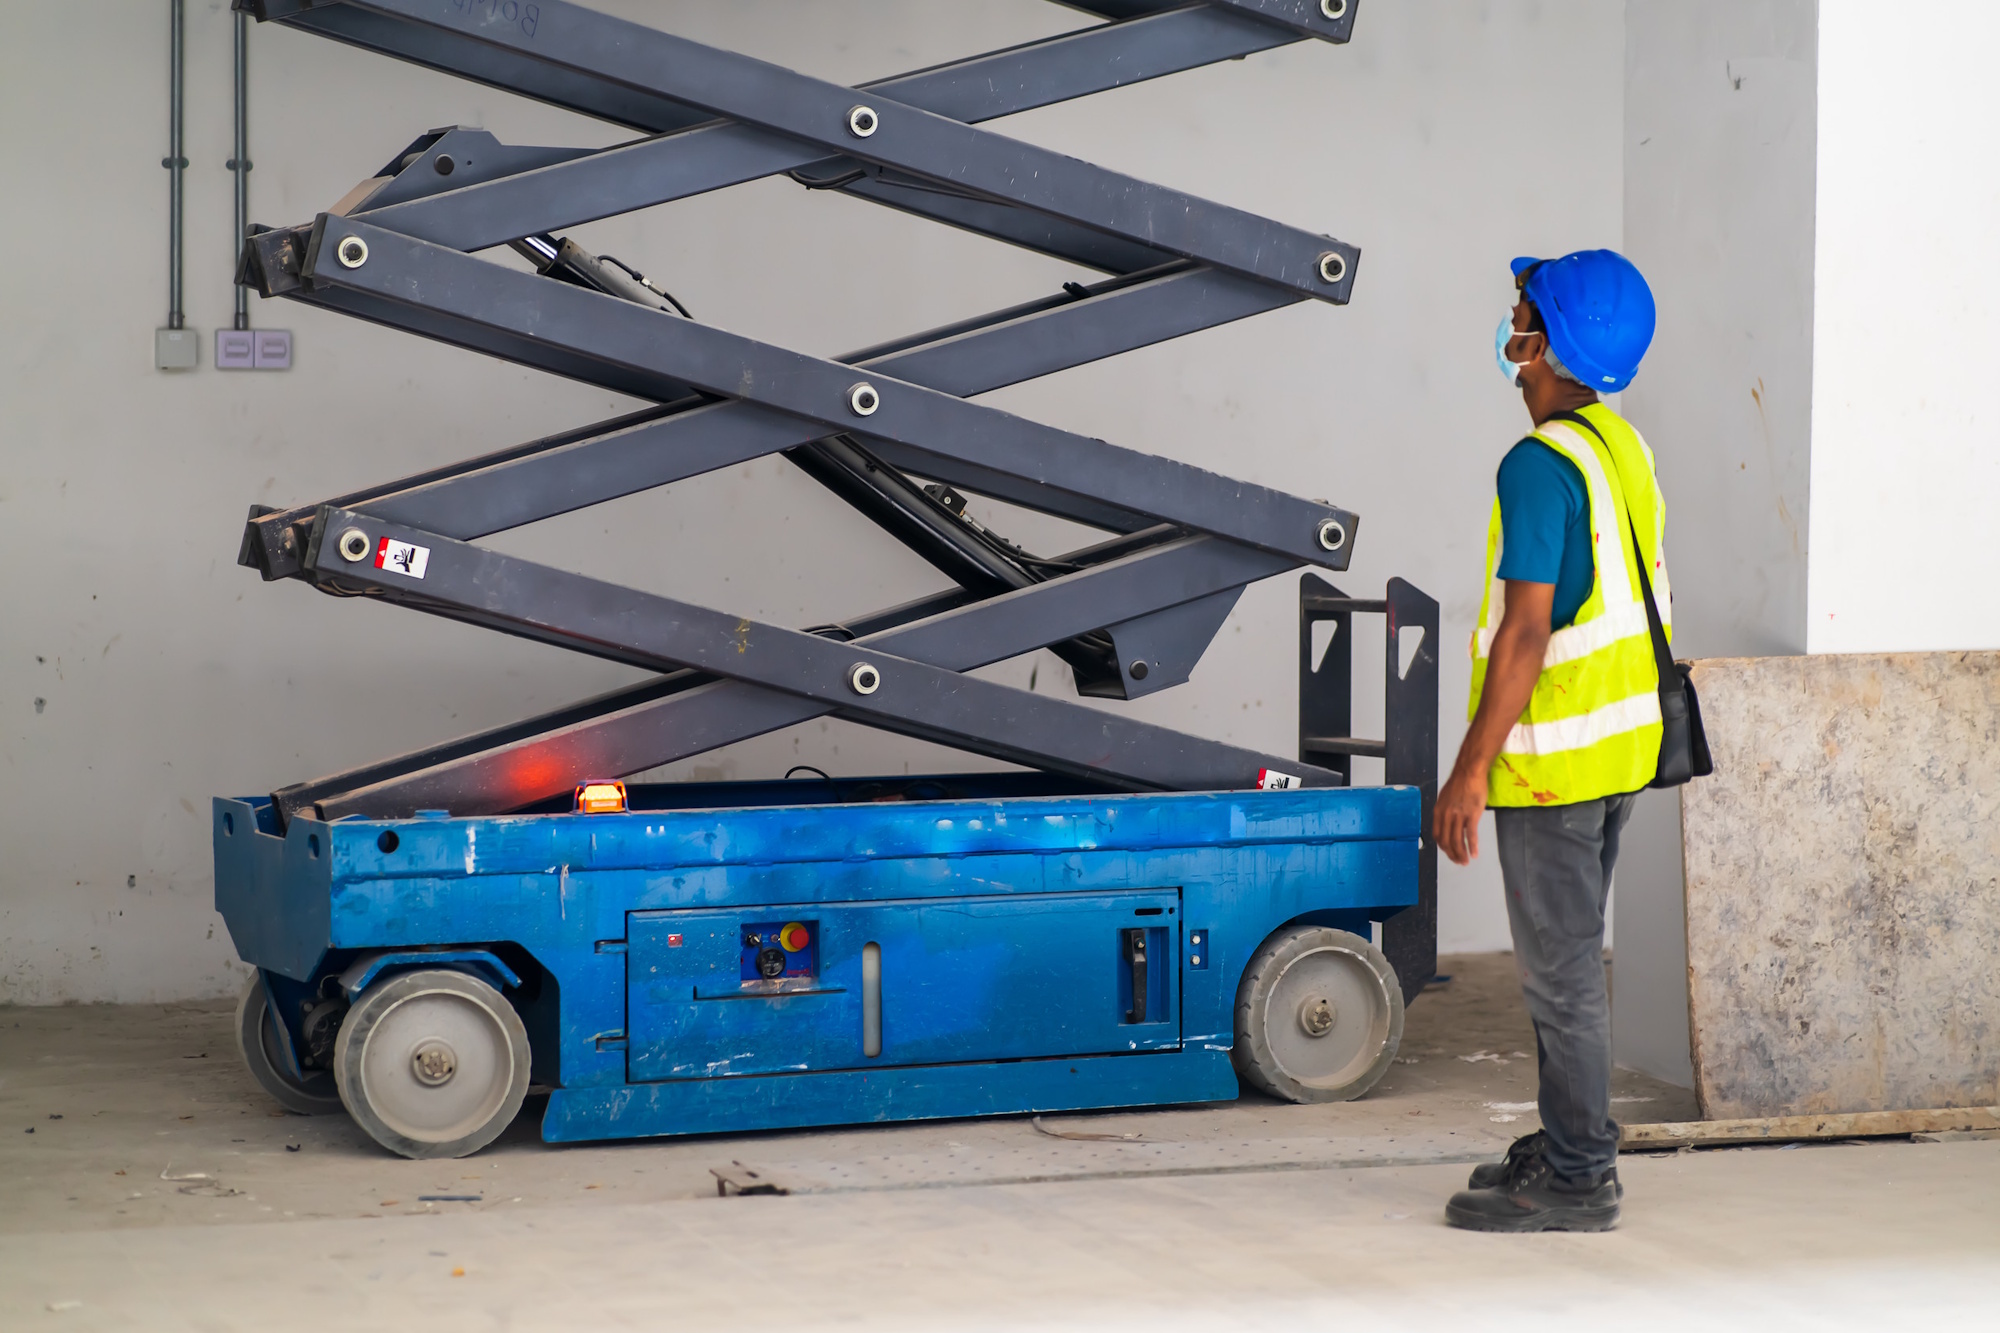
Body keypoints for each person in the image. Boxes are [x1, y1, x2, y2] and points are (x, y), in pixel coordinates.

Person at [1435, 250, 1668, 1233]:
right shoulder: (1615, 446)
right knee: (1560, 966)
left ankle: (1578, 1176)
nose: (1509, 321)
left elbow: (1527, 633)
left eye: (1522, 310)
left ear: (1546, 342)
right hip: (1618, 752)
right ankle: (1564, 1138)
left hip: (1553, 769)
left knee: (1559, 976)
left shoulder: (1536, 466)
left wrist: (1468, 769)